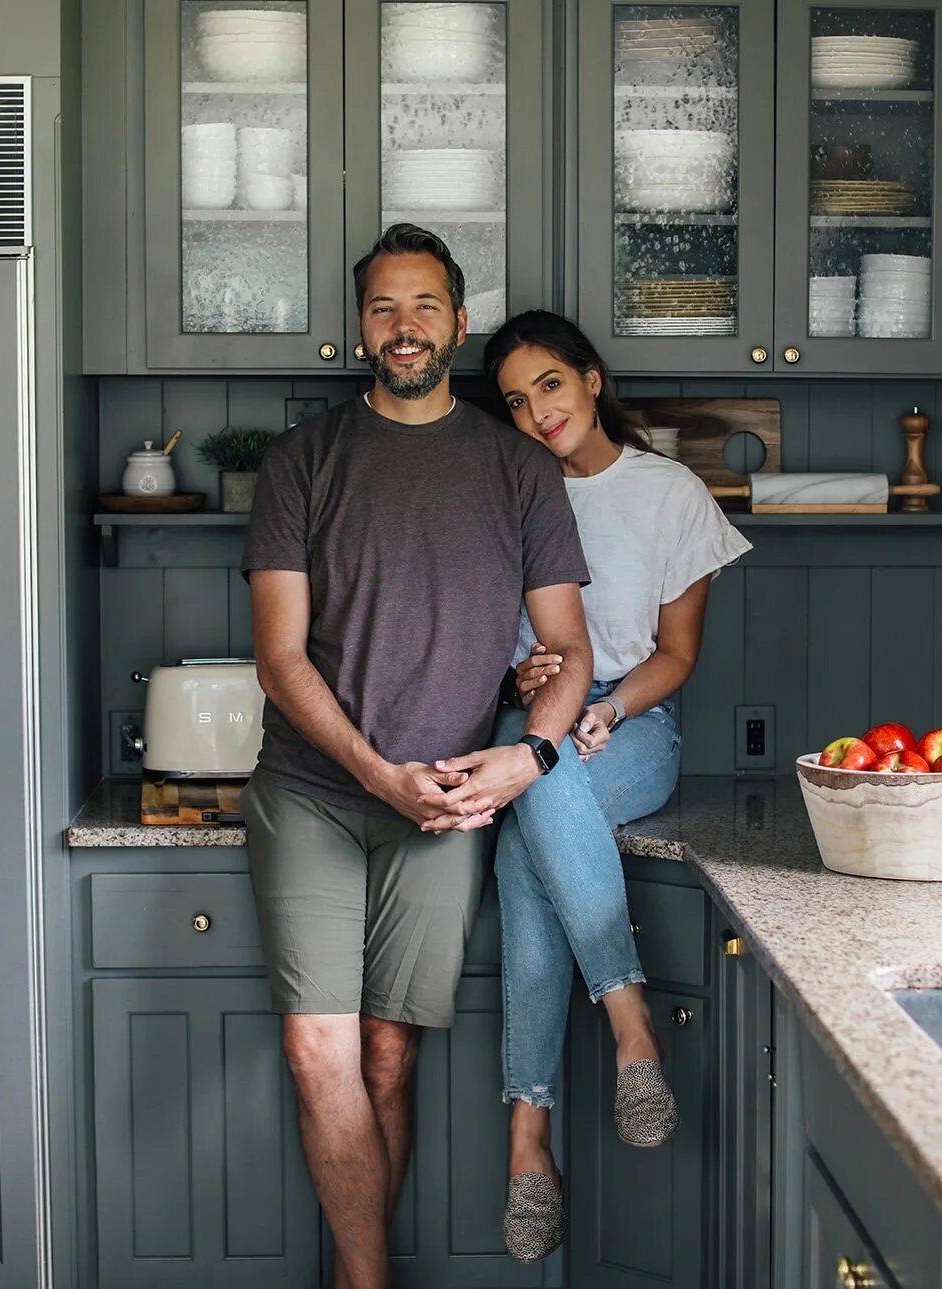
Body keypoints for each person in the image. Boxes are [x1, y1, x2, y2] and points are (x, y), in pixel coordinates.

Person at [239, 227, 597, 1289]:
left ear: (456, 320)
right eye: (384, 307)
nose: (404, 327)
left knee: (391, 1053)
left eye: (424, 305)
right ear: (361, 325)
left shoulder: (518, 468)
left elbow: (567, 648)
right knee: (320, 1053)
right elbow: (278, 655)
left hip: (448, 801)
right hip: (311, 793)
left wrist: (524, 758)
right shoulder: (302, 460)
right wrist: (373, 771)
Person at [442, 309, 752, 1262]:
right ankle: (630, 1025)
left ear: (591, 377)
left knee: (533, 806)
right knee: (535, 814)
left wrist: (608, 710)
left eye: (549, 386)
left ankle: (528, 1137)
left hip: (633, 722)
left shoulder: (669, 494)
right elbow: (491, 646)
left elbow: (678, 652)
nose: (537, 412)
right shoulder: (506, 489)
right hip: (528, 724)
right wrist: (521, 682)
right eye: (515, 400)